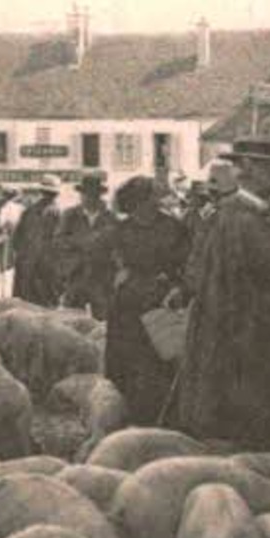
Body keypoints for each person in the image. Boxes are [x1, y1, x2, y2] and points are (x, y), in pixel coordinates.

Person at [175, 139, 270, 452]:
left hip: (228, 329)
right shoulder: (249, 222)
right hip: (253, 333)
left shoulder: (227, 215)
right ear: (249, 169)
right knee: (258, 417)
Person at [105, 176, 190, 423]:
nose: (157, 202)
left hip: (161, 304)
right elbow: (103, 263)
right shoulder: (120, 230)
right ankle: (130, 415)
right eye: (151, 197)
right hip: (127, 307)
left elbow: (187, 264)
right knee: (127, 365)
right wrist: (115, 275)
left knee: (161, 362)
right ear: (139, 202)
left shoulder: (174, 228)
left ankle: (162, 419)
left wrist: (179, 286)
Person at [55, 171, 117, 317]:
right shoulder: (70, 215)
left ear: (99, 196)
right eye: (85, 194)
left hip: (101, 277)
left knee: (102, 321)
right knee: (72, 319)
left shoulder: (110, 218)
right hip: (76, 275)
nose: (88, 198)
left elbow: (117, 245)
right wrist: (80, 242)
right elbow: (58, 241)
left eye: (92, 195)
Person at [12, 176, 63, 305]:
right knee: (46, 306)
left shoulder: (29, 211)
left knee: (27, 305)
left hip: (30, 266)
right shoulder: (58, 214)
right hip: (44, 268)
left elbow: (16, 240)